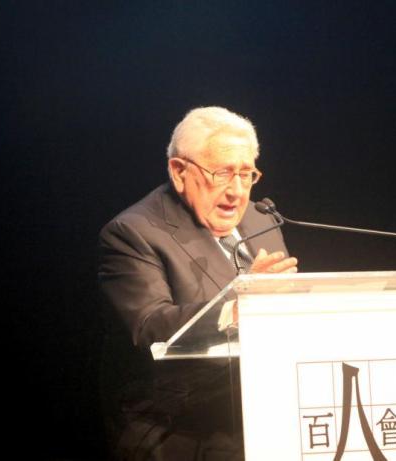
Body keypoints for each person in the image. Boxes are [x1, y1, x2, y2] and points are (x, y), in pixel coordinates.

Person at [98, 106, 298, 460]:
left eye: (246, 174)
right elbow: (149, 325)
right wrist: (237, 306)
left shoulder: (260, 219)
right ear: (179, 171)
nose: (237, 191)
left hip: (265, 413)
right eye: (222, 173)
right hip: (179, 427)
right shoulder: (133, 232)